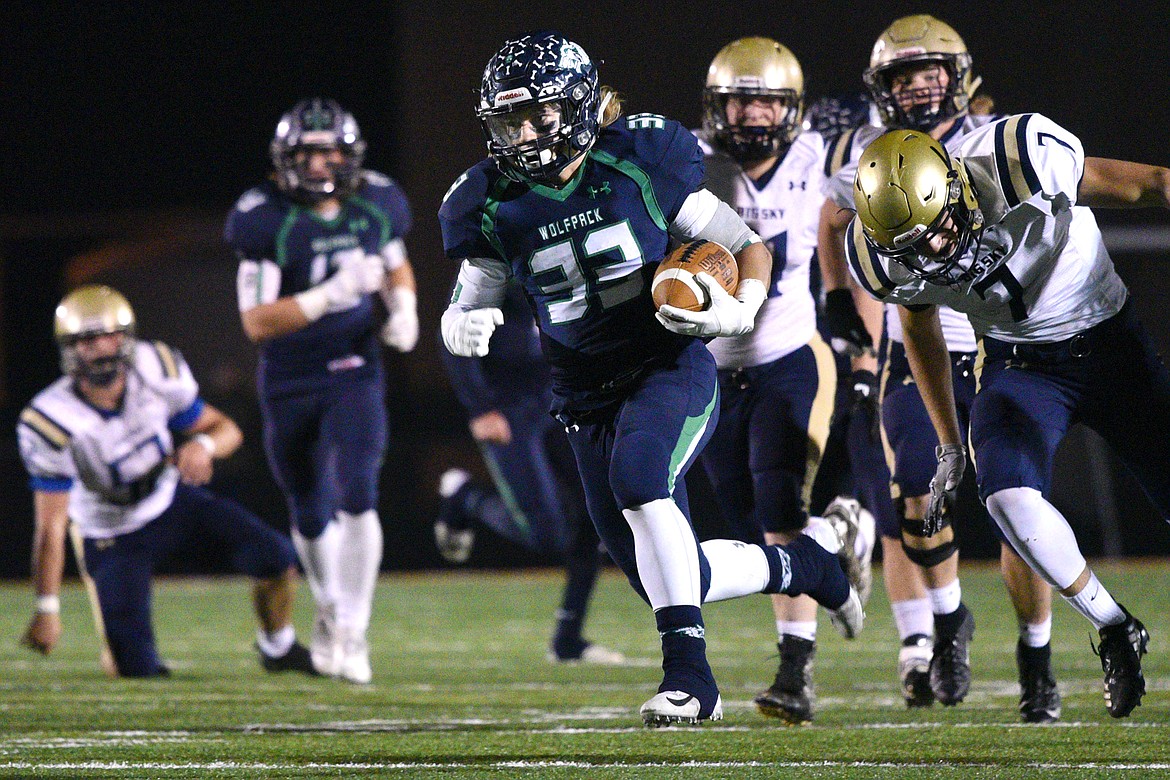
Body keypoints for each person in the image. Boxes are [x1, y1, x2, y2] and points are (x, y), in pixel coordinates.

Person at [439, 30, 863, 727]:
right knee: (672, 576)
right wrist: (461, 320)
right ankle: (811, 568)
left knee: (642, 484)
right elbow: (475, 287)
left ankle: (692, 682)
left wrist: (741, 307)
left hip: (666, 366)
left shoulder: (637, 158)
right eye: (508, 120)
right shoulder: (484, 199)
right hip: (581, 396)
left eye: (537, 115)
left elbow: (742, 243)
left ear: (576, 106)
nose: (523, 134)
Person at [849, 121, 1170, 718]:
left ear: (957, 186)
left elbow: (1152, 183)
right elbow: (919, 327)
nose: (935, 254)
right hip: (1019, 365)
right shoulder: (880, 254)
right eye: (911, 248)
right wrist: (948, 443)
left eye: (939, 230)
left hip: (1111, 347)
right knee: (1007, 497)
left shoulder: (1019, 161)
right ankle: (1115, 627)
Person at [817, 14, 1059, 720]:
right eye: (904, 79)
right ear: (883, 89)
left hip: (1005, 352)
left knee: (1022, 515)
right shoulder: (875, 152)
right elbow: (832, 220)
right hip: (919, 351)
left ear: (959, 78)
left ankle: (1036, 656)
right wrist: (838, 294)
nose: (920, 91)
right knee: (916, 499)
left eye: (930, 75)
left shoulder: (998, 141)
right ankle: (949, 623)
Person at [695, 37, 875, 724]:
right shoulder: (688, 160)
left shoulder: (820, 165)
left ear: (792, 109)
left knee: (777, 510)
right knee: (750, 534)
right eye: (739, 98)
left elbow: (855, 258)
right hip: (708, 370)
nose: (751, 115)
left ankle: (795, 671)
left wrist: (861, 356)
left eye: (766, 100)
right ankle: (834, 542)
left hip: (787, 360)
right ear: (716, 104)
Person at [17, 285, 315, 678]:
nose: (103, 348)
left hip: (170, 500)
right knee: (134, 669)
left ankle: (277, 647)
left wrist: (203, 446)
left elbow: (226, 429)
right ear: (69, 347)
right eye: (88, 339)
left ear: (127, 337)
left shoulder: (155, 368)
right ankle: (125, 649)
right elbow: (51, 526)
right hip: (112, 530)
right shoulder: (50, 419)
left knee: (276, 556)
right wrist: (46, 608)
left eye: (110, 335)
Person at [224, 97, 418, 684]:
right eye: (306, 153)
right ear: (286, 159)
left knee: (358, 488)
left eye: (329, 151)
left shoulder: (377, 202)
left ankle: (353, 628)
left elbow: (396, 262)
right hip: (290, 375)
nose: (318, 165)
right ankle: (329, 608)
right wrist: (330, 295)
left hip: (355, 366)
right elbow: (256, 321)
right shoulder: (264, 217)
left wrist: (405, 307)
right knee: (308, 507)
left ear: (349, 155)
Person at [435, 278, 625, 665]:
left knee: (599, 515)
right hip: (507, 410)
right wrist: (480, 406)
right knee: (547, 532)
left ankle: (568, 641)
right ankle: (464, 497)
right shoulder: (499, 259)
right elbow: (454, 332)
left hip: (558, 399)